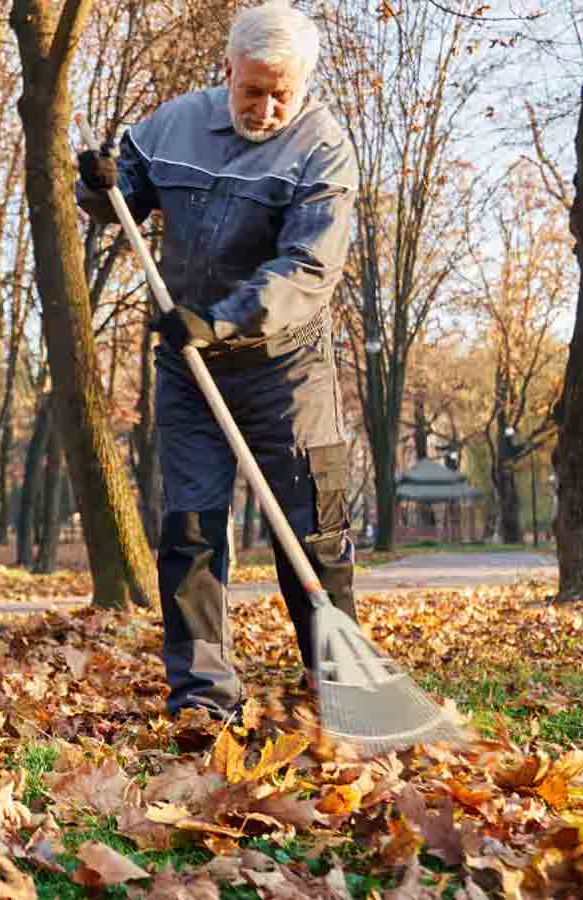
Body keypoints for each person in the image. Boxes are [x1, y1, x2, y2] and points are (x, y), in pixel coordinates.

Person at [75, 0, 358, 720]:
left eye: (281, 94)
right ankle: (203, 697)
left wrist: (222, 321)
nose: (265, 109)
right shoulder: (173, 125)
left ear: (304, 85)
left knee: (313, 531)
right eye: (252, 90)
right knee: (192, 530)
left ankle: (342, 687)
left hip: (285, 368)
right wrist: (99, 185)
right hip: (188, 369)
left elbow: (308, 268)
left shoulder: (323, 149)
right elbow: (120, 197)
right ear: (228, 69)